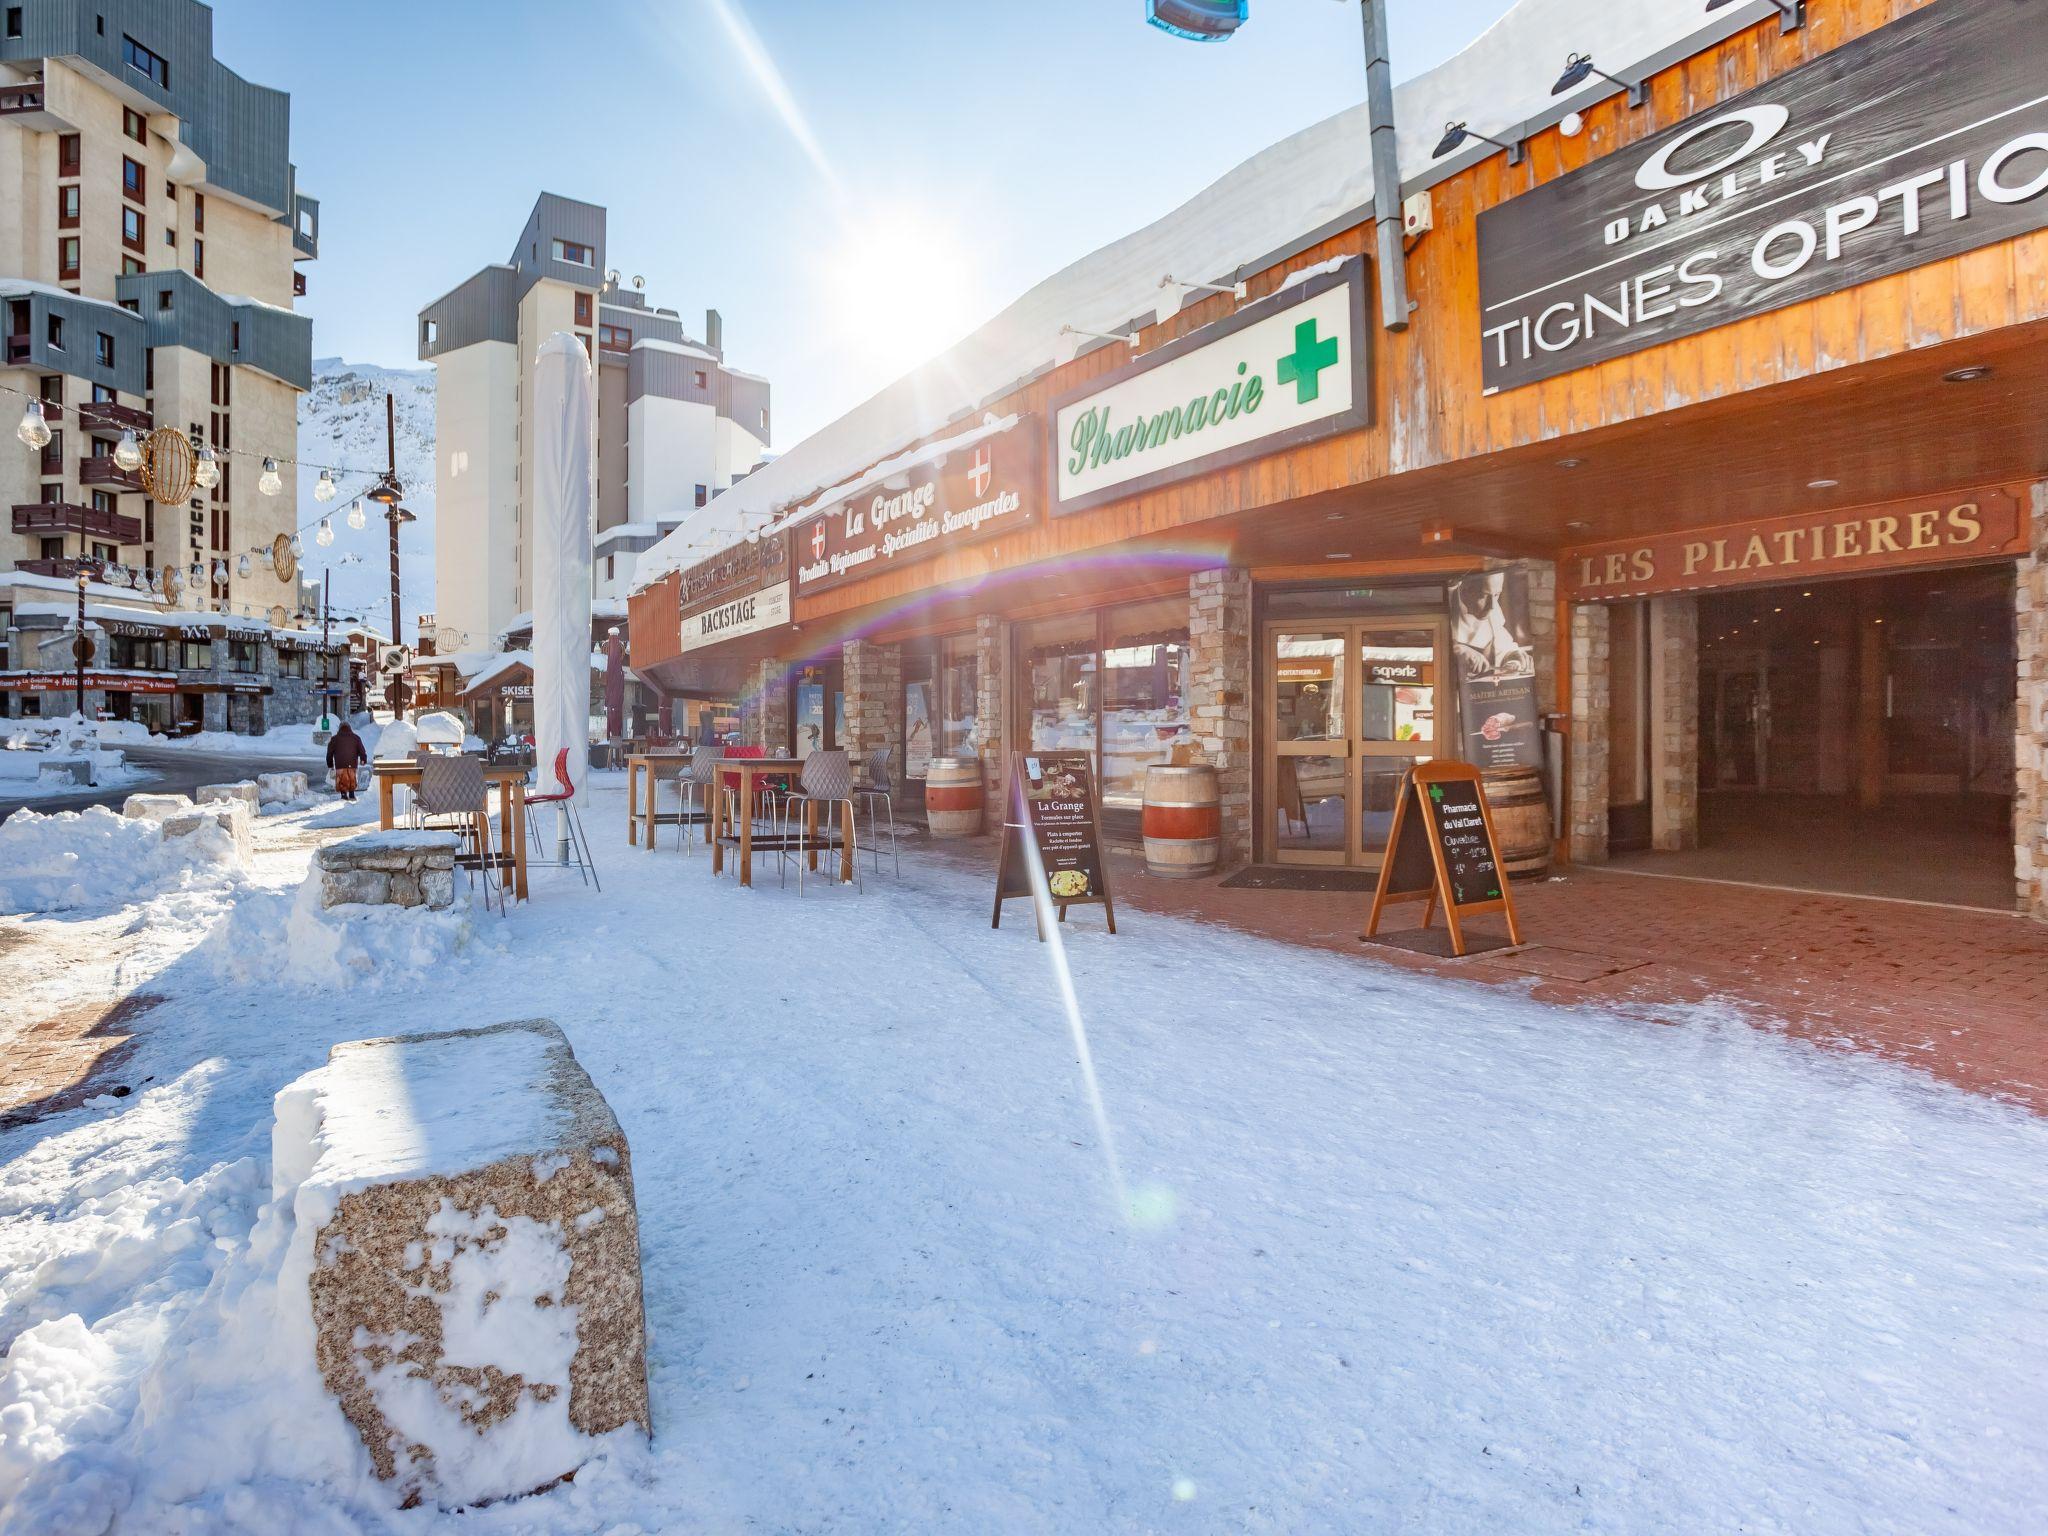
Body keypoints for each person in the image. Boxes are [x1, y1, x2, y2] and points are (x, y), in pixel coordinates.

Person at [327, 720, 369, 802]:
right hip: (352, 763)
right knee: (351, 778)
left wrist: (330, 764)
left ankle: (343, 795)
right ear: (349, 728)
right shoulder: (356, 738)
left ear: (339, 729)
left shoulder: (334, 739)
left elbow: (329, 753)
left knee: (342, 779)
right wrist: (363, 759)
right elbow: (362, 750)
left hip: (340, 764)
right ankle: (352, 794)